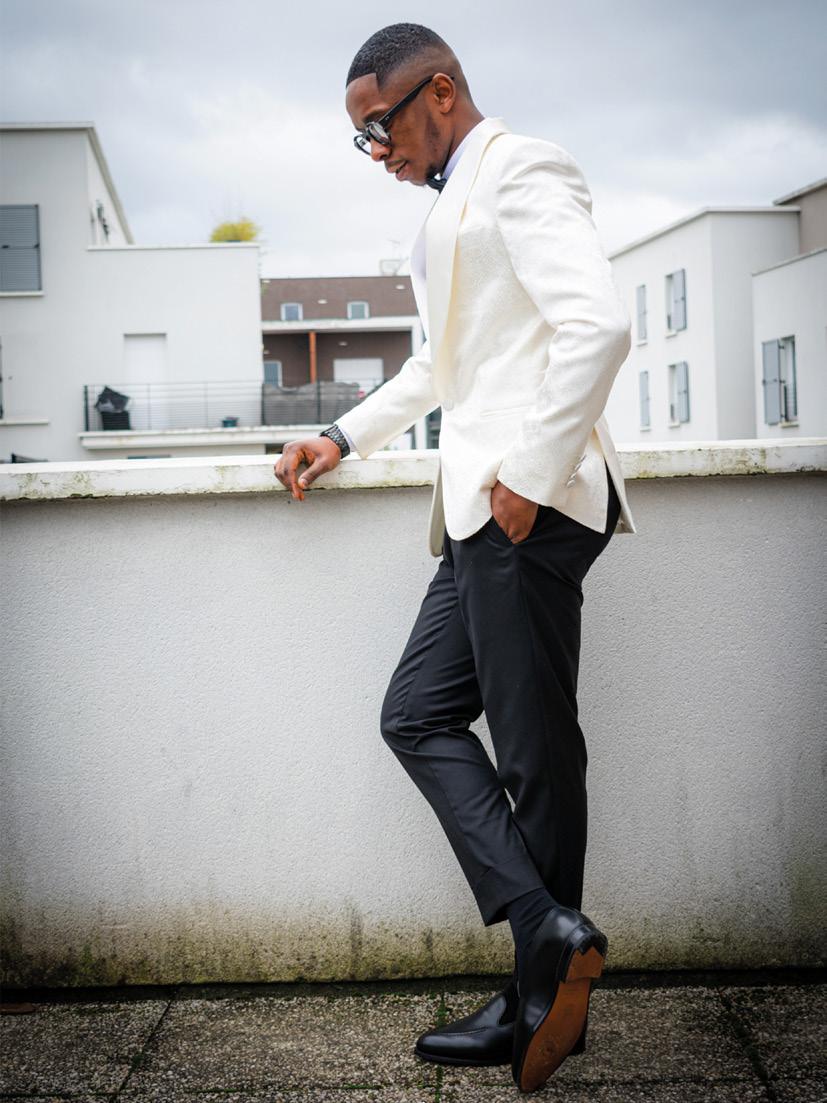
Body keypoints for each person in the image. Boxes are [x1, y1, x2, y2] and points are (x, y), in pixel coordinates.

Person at [274, 22, 638, 1093]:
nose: (375, 150)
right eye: (362, 137)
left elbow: (598, 326)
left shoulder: (520, 168)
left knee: (533, 755)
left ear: (438, 92)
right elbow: (441, 366)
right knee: (418, 713)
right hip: (485, 509)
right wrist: (341, 436)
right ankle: (546, 942)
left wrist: (528, 472)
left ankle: (538, 994)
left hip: (523, 505)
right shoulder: (452, 206)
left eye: (378, 126)